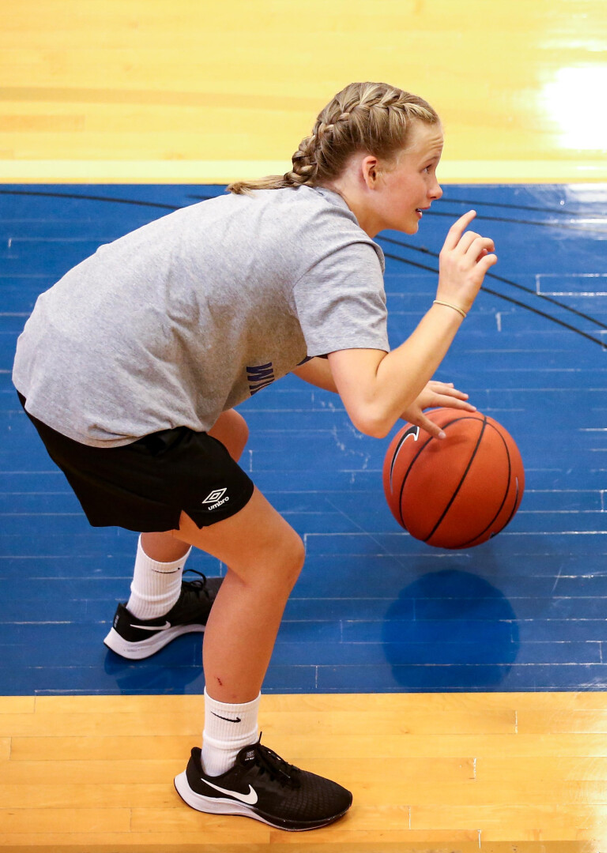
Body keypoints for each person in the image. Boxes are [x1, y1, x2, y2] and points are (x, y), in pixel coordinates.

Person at [12, 81, 498, 830]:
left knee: (224, 439)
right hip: (100, 394)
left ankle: (153, 611)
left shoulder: (299, 204)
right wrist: (451, 301)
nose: (437, 187)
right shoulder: (341, 248)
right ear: (371, 171)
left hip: (60, 350)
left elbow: (309, 354)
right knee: (272, 558)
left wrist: (392, 383)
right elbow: (369, 413)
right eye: (427, 168)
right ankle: (224, 764)